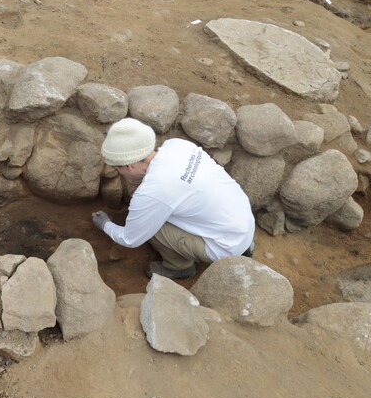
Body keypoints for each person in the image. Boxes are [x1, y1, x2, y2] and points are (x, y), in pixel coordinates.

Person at [91, 117, 255, 279]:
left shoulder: (152, 191)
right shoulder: (177, 145)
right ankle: (244, 246)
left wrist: (105, 225)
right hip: (244, 223)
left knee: (151, 228)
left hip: (225, 247)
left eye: (116, 168)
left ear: (129, 166)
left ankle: (179, 268)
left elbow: (130, 239)